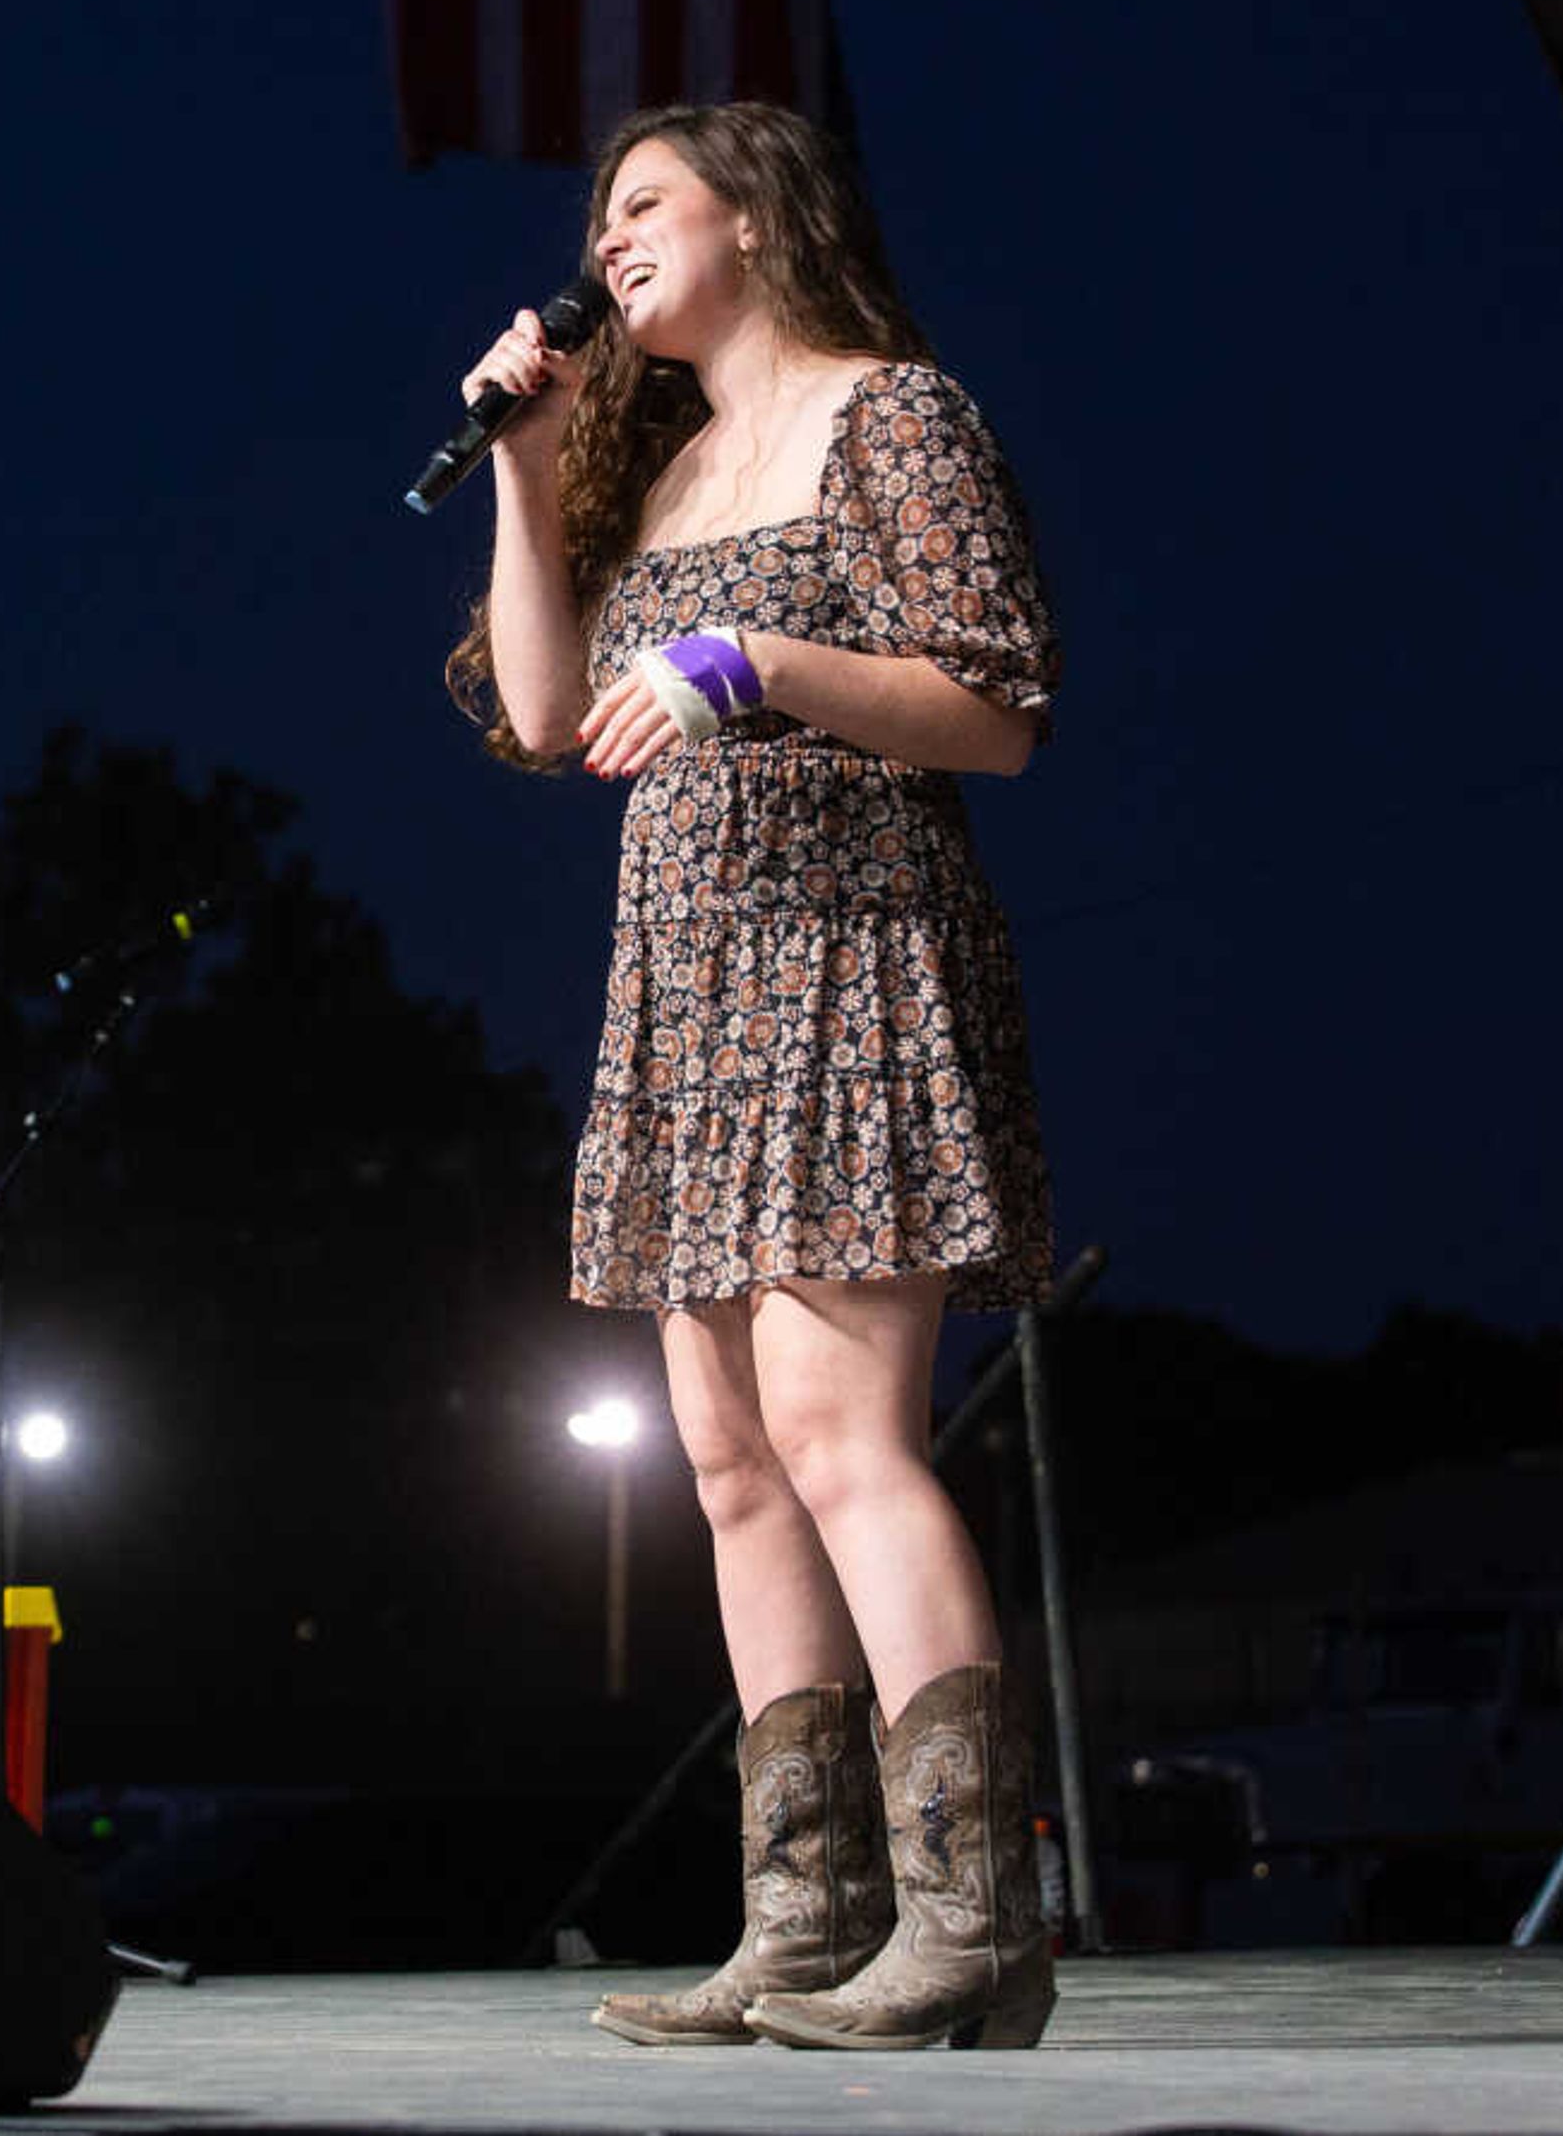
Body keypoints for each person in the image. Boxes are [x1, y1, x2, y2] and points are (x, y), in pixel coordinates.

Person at [446, 99, 1062, 2053]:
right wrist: (527, 473)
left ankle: (975, 1923)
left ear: (756, 214)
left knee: (838, 1432)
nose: (608, 241)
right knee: (724, 1465)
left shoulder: (898, 415)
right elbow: (544, 715)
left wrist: (761, 665)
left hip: (845, 961)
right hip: (684, 997)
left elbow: (999, 706)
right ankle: (803, 1923)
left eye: (644, 204)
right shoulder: (670, 458)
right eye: (601, 216)